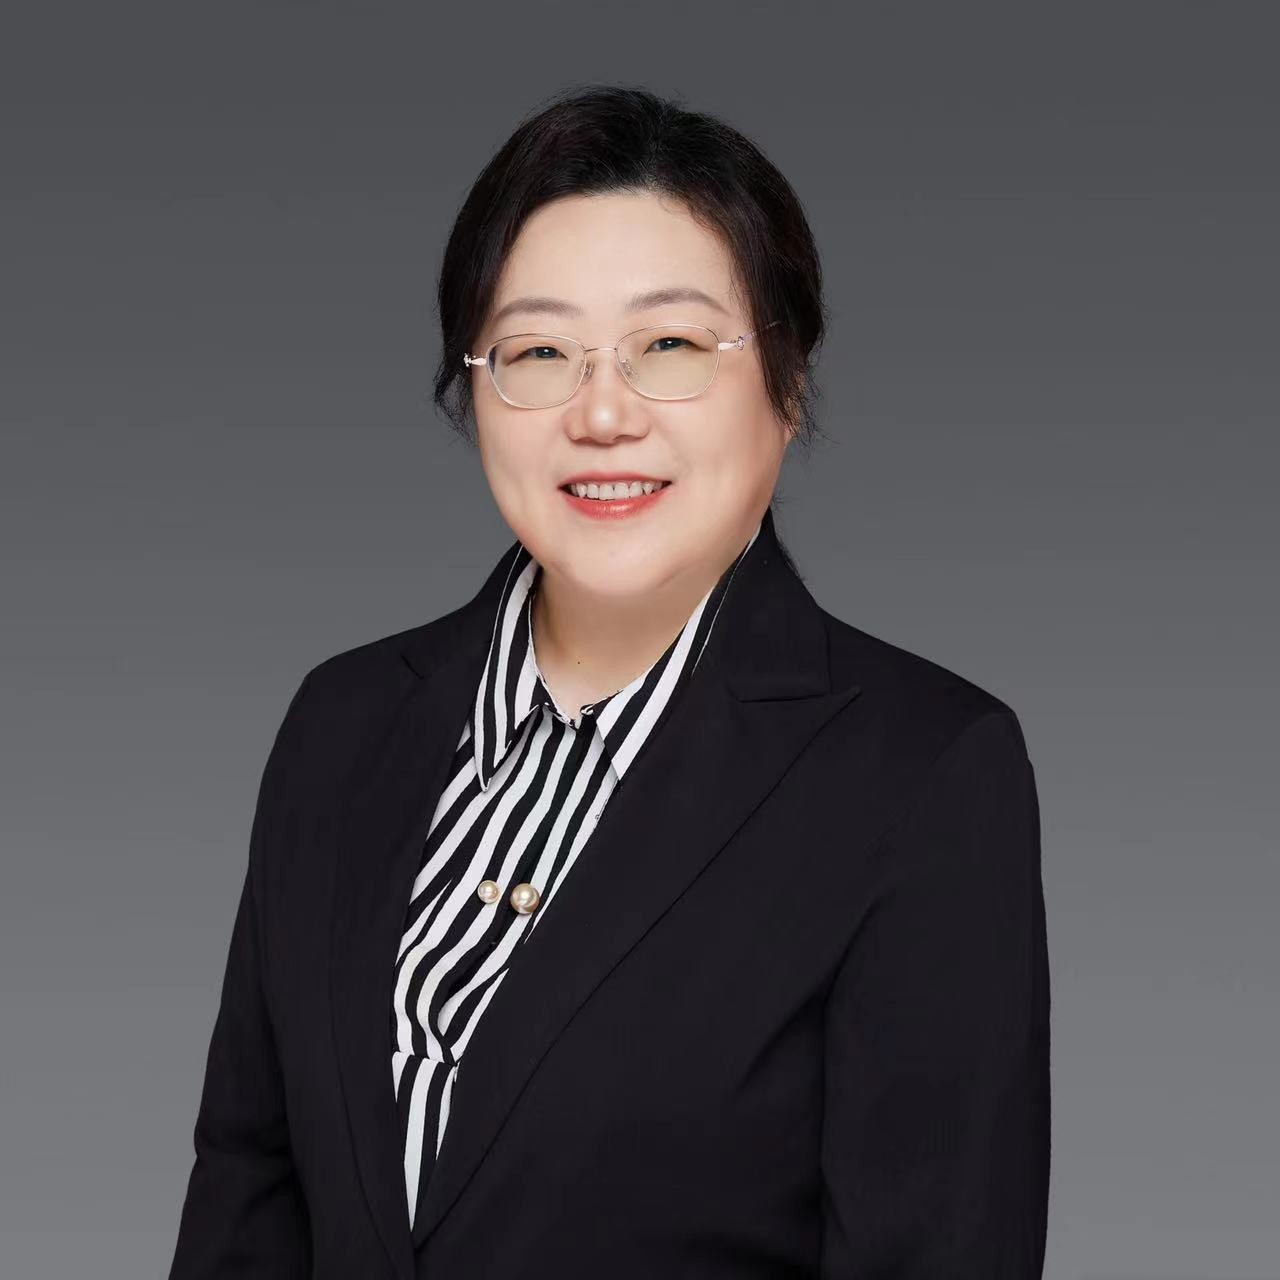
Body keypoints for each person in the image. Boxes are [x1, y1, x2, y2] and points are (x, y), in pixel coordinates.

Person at [168, 83, 1050, 1279]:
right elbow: (248, 1191)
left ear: (786, 382)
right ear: (472, 390)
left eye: (668, 346)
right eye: (538, 352)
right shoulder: (342, 721)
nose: (598, 411)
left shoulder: (922, 772)